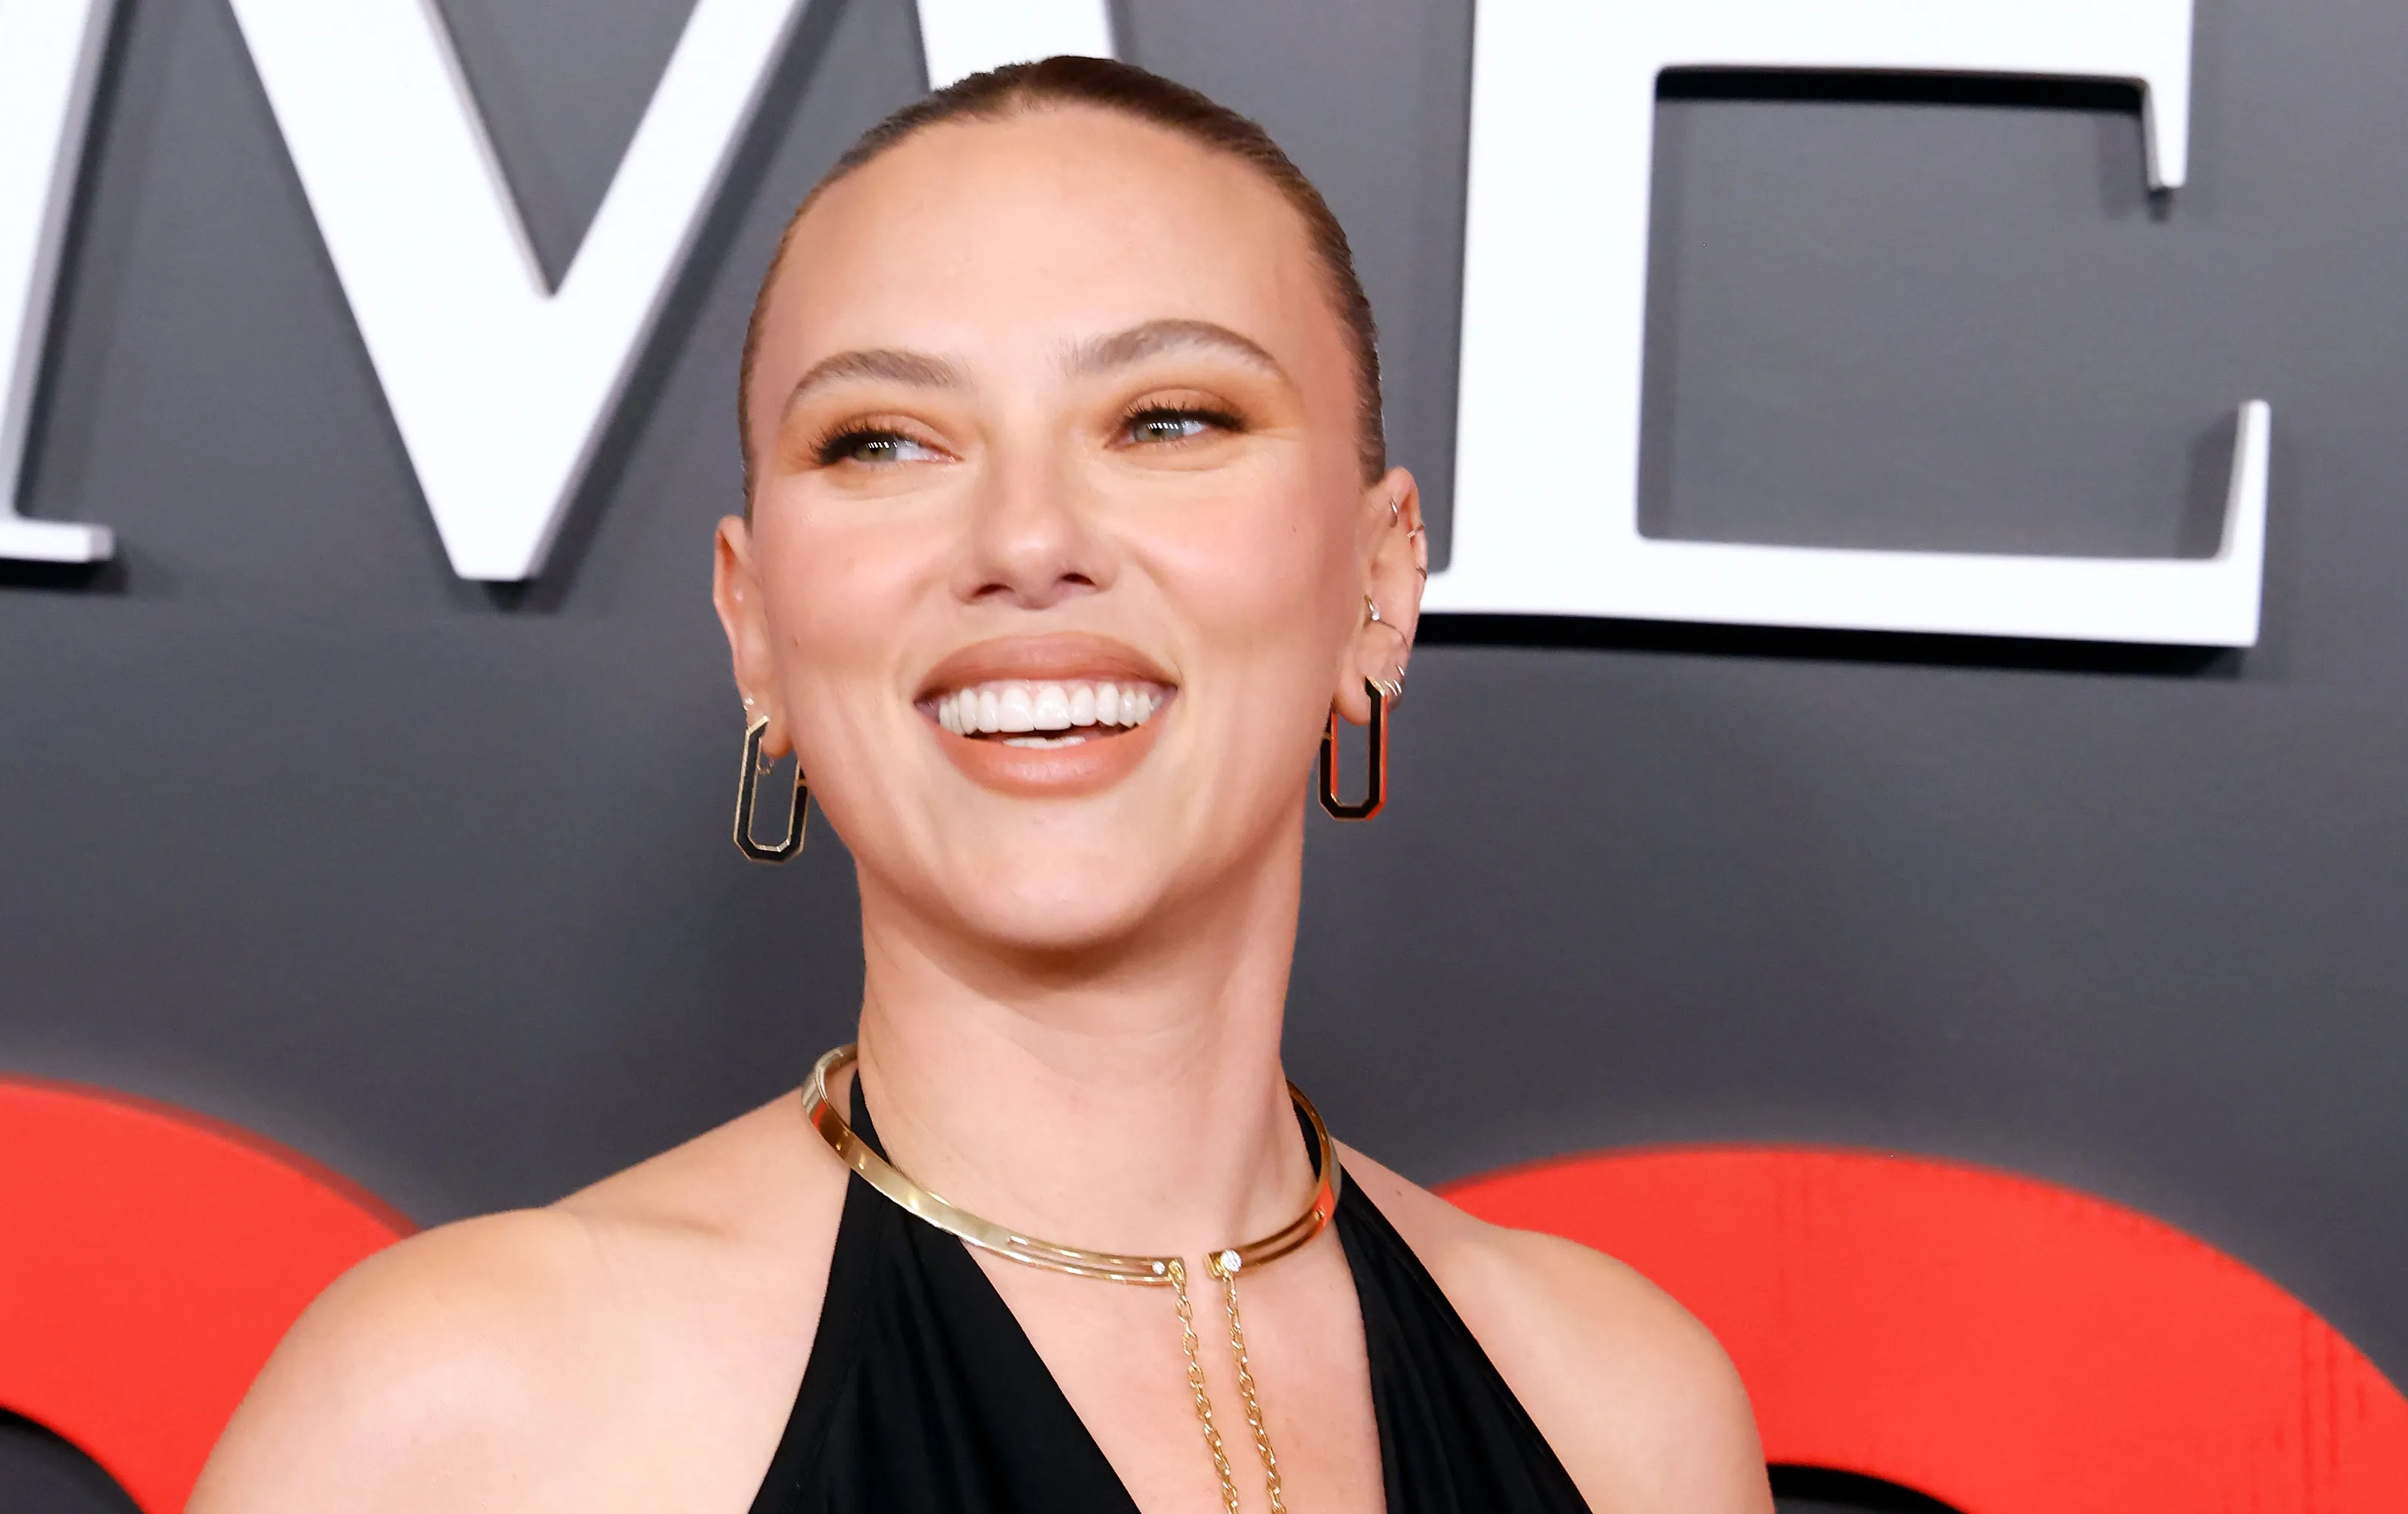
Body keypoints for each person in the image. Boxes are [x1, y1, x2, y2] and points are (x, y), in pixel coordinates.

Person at [191, 56, 1771, 1514]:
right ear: (757, 626)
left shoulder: (1623, 1416)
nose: (1024, 540)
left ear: (1376, 581)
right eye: (885, 441)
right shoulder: (470, 1415)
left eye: (1167, 418)